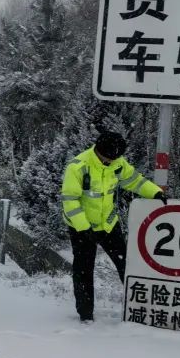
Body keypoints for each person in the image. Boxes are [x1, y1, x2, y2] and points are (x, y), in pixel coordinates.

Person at [61, 131, 166, 322]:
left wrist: (156, 193)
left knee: (127, 264)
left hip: (109, 224)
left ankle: (139, 308)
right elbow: (70, 201)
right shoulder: (79, 166)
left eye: (115, 158)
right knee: (84, 270)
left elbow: (135, 180)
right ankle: (86, 315)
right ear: (99, 151)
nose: (111, 162)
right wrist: (83, 228)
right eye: (107, 159)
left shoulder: (118, 162)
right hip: (82, 228)